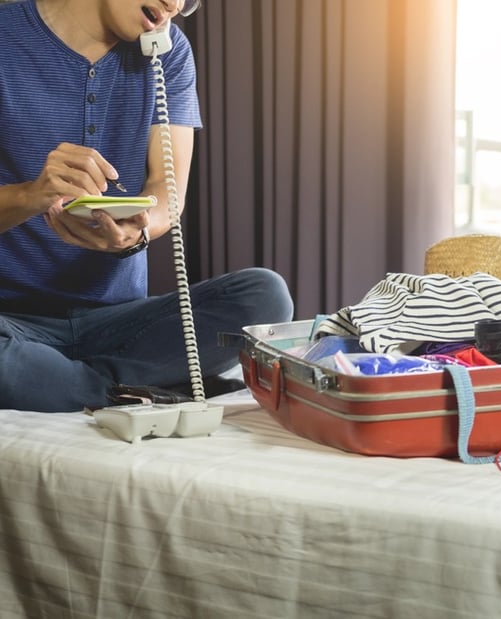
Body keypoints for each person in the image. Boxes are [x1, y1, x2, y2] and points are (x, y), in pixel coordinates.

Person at [0, 0, 294, 412]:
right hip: (11, 317)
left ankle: (72, 384)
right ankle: (134, 386)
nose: (176, 4)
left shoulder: (169, 53)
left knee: (264, 296)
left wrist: (138, 231)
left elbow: (167, 193)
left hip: (119, 322)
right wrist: (31, 195)